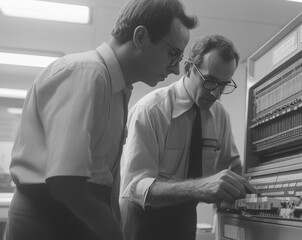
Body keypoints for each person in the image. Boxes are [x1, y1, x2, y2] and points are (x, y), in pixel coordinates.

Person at [5, 0, 197, 239]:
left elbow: (101, 182)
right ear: (141, 37)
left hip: (76, 221)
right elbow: (67, 183)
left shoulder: (116, 88)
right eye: (173, 53)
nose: (176, 69)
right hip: (49, 223)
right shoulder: (86, 73)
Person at [120, 34, 257, 240]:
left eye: (224, 85)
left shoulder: (219, 115)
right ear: (189, 69)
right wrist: (199, 188)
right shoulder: (150, 110)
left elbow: (232, 165)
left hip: (185, 220)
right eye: (210, 81)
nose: (215, 93)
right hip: (142, 222)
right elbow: (135, 188)